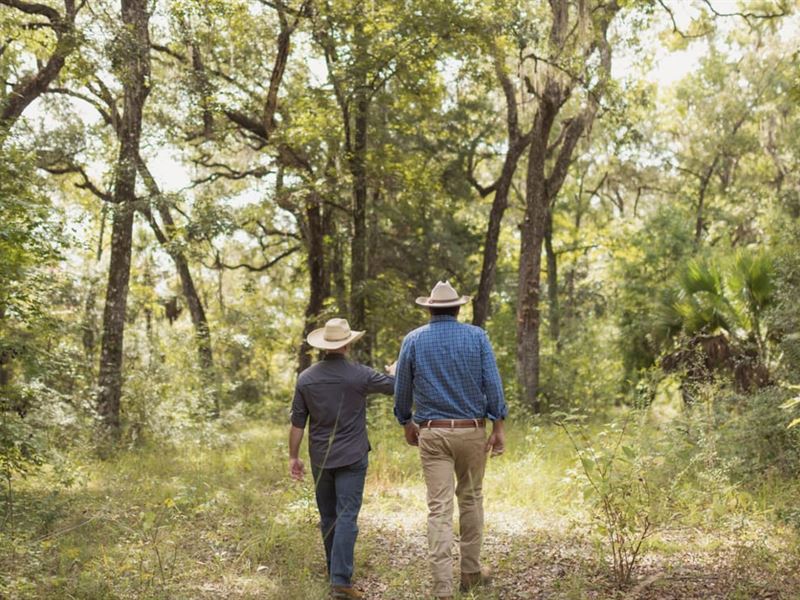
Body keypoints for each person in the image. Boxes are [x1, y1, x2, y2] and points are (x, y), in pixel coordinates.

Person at [393, 281, 508, 600]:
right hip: (472, 431)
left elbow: (402, 388)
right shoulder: (477, 336)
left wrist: (405, 421)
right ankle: (470, 572)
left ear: (429, 308)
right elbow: (492, 384)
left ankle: (442, 587)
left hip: (433, 431)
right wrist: (498, 425)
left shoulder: (413, 340)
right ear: (458, 308)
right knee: (471, 499)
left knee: (439, 509)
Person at [288, 318, 395, 599]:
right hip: (352, 456)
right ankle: (340, 581)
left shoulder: (306, 378)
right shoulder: (359, 374)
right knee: (347, 515)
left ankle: (333, 569)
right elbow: (394, 386)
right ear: (347, 344)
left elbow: (298, 423)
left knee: (328, 517)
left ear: (324, 346)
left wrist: (293, 457)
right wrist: (395, 371)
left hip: (320, 458)